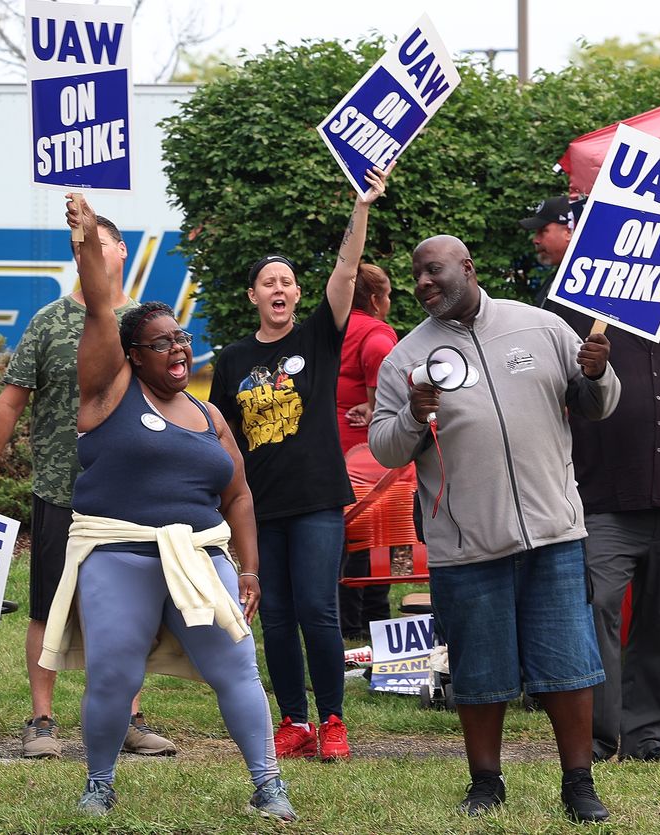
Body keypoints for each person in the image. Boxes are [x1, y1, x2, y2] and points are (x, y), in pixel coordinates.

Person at [38, 194, 293, 821]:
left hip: (201, 557)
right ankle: (99, 782)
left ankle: (268, 784)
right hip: (119, 555)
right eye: (160, 343)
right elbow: (101, 307)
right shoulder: (105, 395)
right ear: (131, 356)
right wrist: (85, 238)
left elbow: (237, 493)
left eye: (181, 338)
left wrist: (251, 570)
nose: (178, 350)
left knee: (238, 672)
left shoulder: (208, 415)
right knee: (114, 676)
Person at [368, 235, 619, 823]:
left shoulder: (541, 327)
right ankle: (486, 784)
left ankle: (578, 785)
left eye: (433, 271)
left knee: (568, 666)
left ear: (468, 268)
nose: (423, 283)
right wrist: (413, 413)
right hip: (465, 544)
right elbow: (384, 448)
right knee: (480, 674)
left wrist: (599, 374)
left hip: (552, 532)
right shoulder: (404, 358)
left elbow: (594, 404)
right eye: (416, 277)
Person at [519, 200, 660, 762]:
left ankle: (648, 738)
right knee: (594, 613)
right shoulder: (577, 311)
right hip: (604, 501)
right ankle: (598, 737)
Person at [0, 216, 175, 760]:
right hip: (61, 490)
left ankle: (130, 719)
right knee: (47, 609)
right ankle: (42, 721)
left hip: (130, 495)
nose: (94, 256)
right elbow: (11, 400)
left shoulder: (148, 324)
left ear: (123, 251)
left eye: (101, 246)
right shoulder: (50, 321)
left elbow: (171, 401)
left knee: (132, 610)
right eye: (83, 248)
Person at [209, 165, 390, 761]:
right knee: (277, 618)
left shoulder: (318, 337)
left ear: (296, 293)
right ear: (253, 296)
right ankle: (293, 722)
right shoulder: (233, 360)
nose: (280, 289)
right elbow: (222, 441)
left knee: (317, 609)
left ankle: (333, 721)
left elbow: (345, 271)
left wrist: (359, 208)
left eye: (287, 280)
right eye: (269, 282)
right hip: (259, 510)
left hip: (316, 501)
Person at [335, 263, 399, 638]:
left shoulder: (330, 327)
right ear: (375, 300)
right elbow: (391, 398)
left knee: (346, 543)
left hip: (333, 455)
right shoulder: (377, 335)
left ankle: (350, 625)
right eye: (387, 294)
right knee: (376, 540)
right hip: (367, 460)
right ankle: (370, 626)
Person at [519, 195, 584, 308]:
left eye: (543, 231)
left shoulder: (586, 284)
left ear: (569, 232)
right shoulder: (560, 278)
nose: (535, 240)